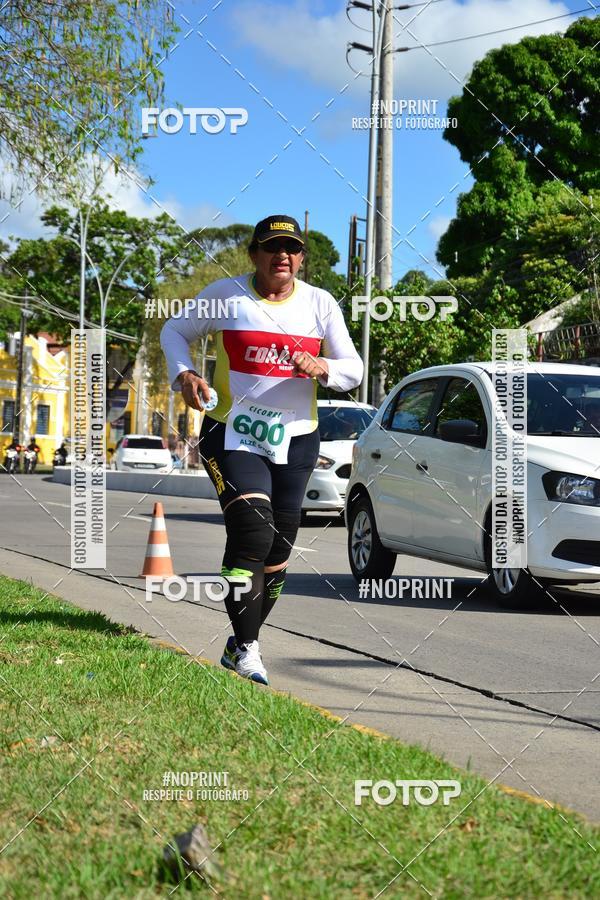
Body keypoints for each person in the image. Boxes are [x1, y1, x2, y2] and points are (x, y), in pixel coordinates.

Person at [160, 214, 363, 685]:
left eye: (292, 249)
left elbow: (352, 368)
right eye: (272, 248)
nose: (283, 257)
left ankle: (238, 642)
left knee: (276, 550)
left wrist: (321, 366)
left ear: (301, 258)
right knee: (252, 532)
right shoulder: (226, 295)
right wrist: (185, 374)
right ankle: (250, 650)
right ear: (254, 254)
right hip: (232, 433)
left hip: (296, 437)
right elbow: (174, 331)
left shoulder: (320, 303)